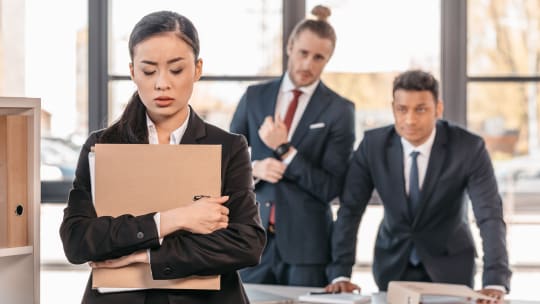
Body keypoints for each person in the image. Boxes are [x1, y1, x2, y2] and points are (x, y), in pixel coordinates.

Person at [59, 11, 265, 304]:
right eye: (148, 70)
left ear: (197, 69)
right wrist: (174, 219)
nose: (161, 84)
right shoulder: (102, 145)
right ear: (132, 72)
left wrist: (144, 256)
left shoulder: (228, 146)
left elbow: (246, 244)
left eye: (176, 70)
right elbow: (77, 240)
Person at [325, 70, 511, 302]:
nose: (410, 120)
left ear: (438, 109)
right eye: (402, 109)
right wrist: (340, 273)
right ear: (393, 108)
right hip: (392, 266)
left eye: (421, 109)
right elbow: (350, 211)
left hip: (451, 267)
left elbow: (489, 215)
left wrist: (494, 279)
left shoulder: (468, 148)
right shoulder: (373, 146)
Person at [229, 5, 355, 287]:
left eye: (319, 57)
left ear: (328, 59)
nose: (308, 65)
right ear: (289, 47)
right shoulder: (254, 97)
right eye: (303, 53)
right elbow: (224, 162)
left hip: (308, 251)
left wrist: (286, 151)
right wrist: (255, 168)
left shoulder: (340, 111)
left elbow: (331, 187)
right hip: (252, 242)